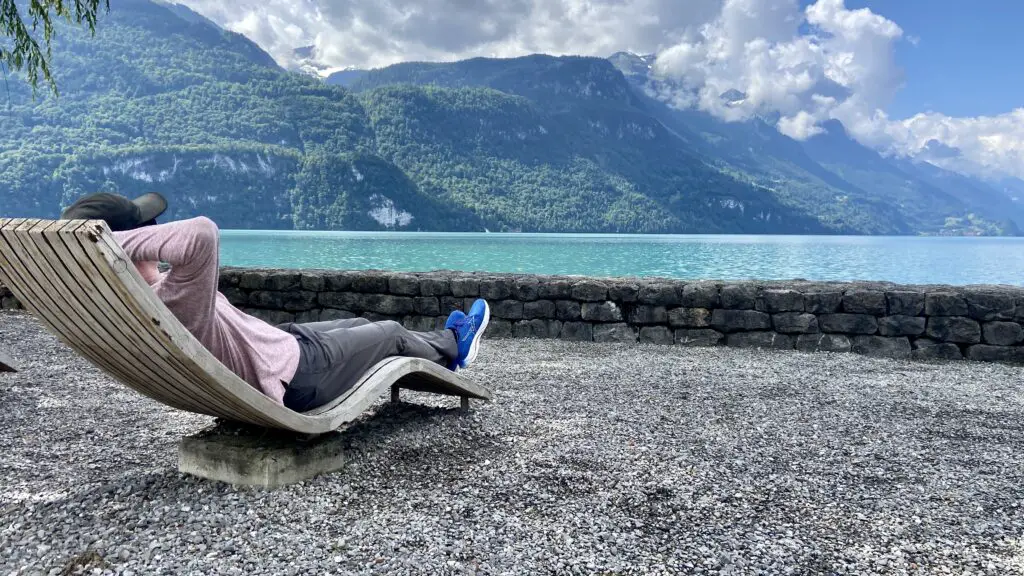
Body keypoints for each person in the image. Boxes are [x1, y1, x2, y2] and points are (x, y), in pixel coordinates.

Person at [60, 191, 490, 412]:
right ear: (125, 246)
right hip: (296, 374)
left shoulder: (124, 304)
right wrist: (105, 242)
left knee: (359, 322)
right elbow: (201, 233)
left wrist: (100, 250)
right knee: (390, 335)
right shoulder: (170, 300)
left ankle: (440, 344)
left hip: (275, 344)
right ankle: (454, 345)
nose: (158, 230)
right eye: (148, 227)